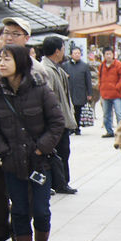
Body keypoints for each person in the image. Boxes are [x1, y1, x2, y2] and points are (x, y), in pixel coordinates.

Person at [0, 44, 65, 241]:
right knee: (19, 210)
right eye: (0, 59)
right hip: (12, 163)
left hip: (40, 162)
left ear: (20, 62)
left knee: (41, 209)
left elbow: (57, 122)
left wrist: (41, 148)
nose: (1, 63)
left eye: (6, 59)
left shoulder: (40, 89)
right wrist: (3, 151)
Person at [41, 36, 78, 195]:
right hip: (56, 120)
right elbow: (48, 98)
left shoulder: (55, 67)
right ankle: (59, 183)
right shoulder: (47, 70)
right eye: (63, 48)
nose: (64, 52)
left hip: (60, 118)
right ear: (57, 51)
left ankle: (61, 182)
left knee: (63, 151)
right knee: (58, 152)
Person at [98, 47, 121, 137]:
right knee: (106, 114)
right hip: (105, 94)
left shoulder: (119, 65)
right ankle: (109, 131)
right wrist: (101, 88)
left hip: (117, 94)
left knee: (119, 113)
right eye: (106, 54)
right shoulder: (101, 66)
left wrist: (117, 87)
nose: (108, 56)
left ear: (113, 54)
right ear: (103, 55)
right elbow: (99, 78)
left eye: (110, 54)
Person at [63, 46, 92, 134]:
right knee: (69, 110)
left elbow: (88, 80)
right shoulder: (65, 66)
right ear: (71, 54)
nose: (77, 55)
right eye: (75, 53)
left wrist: (89, 93)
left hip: (80, 91)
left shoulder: (84, 66)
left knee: (78, 110)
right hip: (69, 91)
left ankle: (77, 127)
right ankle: (70, 127)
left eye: (78, 53)